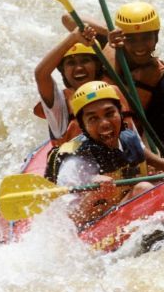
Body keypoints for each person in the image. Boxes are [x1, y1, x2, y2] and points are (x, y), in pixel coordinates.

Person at [47, 81, 156, 229]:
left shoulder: (128, 139)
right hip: (95, 229)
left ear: (121, 114)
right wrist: (94, 195)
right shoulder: (76, 164)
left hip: (125, 210)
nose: (104, 123)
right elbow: (69, 223)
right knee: (142, 188)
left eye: (110, 114)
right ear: (83, 126)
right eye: (93, 118)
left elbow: (148, 161)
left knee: (144, 187)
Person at [104, 2, 164, 142]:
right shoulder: (106, 45)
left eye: (146, 37)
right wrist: (108, 33)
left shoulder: (163, 88)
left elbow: (156, 140)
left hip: (130, 148)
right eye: (130, 39)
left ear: (157, 37)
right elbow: (68, 19)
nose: (140, 46)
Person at [33, 24, 106, 146]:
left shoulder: (112, 90)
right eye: (71, 63)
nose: (79, 68)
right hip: (76, 161)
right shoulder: (59, 105)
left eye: (85, 61)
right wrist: (73, 37)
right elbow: (41, 75)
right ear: (63, 71)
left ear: (97, 66)